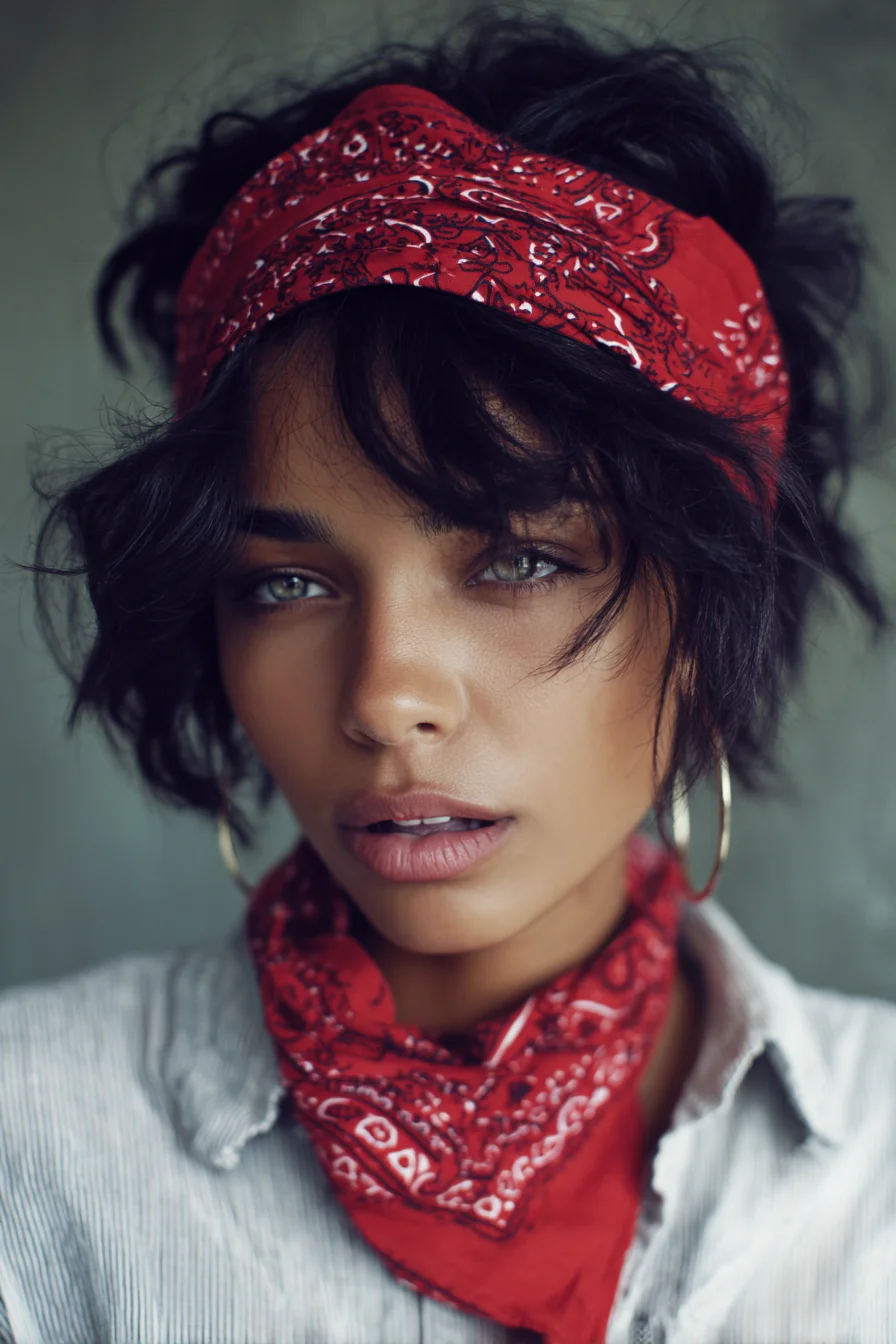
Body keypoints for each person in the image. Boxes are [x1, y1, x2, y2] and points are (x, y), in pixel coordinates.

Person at [2, 10, 894, 1343]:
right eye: (286, 584)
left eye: (521, 562)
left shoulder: (875, 1161)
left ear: (710, 608)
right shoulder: (30, 1140)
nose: (383, 697)